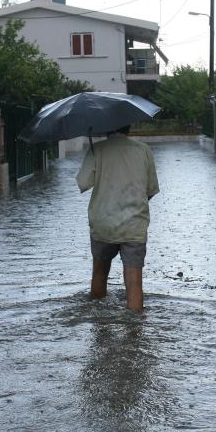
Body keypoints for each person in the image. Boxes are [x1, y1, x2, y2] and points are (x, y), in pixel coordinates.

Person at [76, 125, 159, 311]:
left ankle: (98, 326)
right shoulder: (143, 150)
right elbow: (151, 190)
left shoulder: (97, 150)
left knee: (99, 273)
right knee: (134, 282)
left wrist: (95, 157)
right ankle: (135, 331)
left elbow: (83, 183)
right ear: (129, 127)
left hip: (103, 223)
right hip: (134, 225)